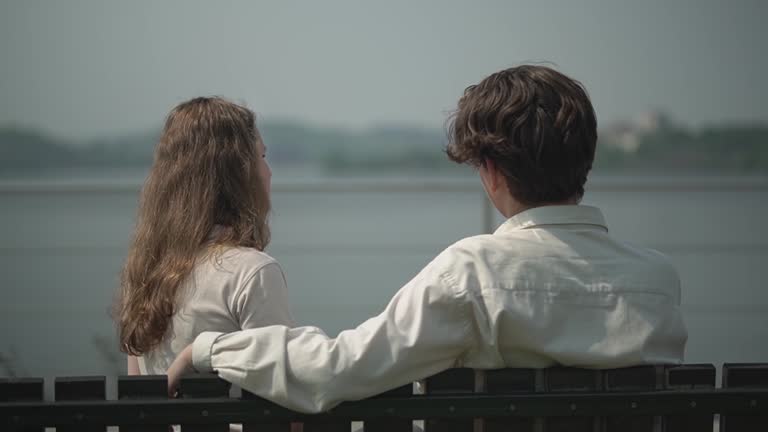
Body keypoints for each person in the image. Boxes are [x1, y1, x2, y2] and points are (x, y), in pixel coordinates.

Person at [167, 65, 688, 413]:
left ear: (490, 172)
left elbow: (338, 370)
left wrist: (210, 349)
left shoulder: (473, 274)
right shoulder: (658, 282)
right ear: (587, 157)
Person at [115, 96, 294, 377]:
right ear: (238, 175)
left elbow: (137, 395)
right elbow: (283, 396)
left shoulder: (144, 271)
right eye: (261, 157)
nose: (269, 172)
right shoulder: (252, 273)